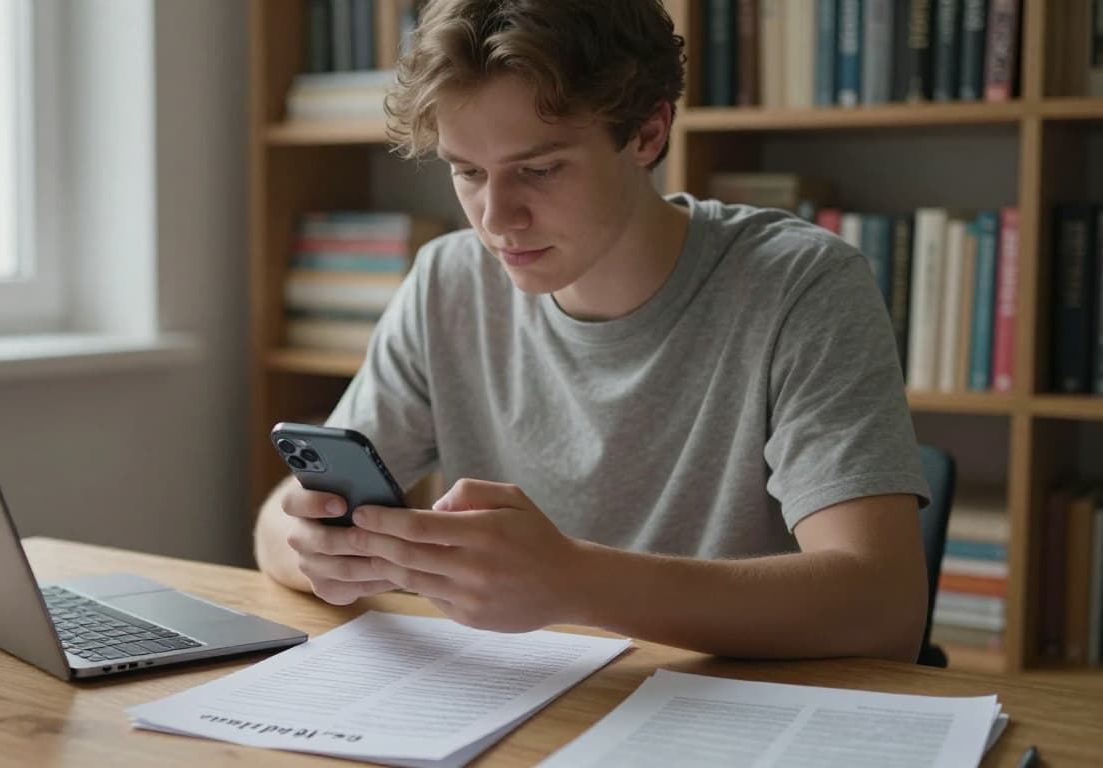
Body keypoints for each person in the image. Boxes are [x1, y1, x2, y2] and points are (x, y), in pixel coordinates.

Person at [254, 0, 930, 662]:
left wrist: (575, 585)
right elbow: (277, 523)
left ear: (648, 133)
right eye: (467, 172)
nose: (496, 218)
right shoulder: (447, 281)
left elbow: (883, 604)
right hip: (519, 705)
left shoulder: (799, 285)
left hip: (725, 713)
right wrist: (316, 548)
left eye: (539, 169)